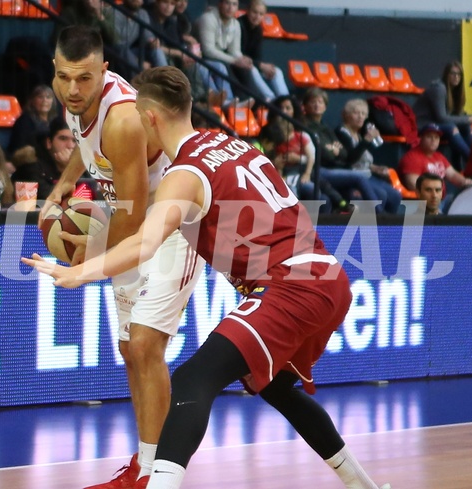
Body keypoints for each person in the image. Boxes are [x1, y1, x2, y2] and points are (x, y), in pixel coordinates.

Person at [22, 65, 391, 489]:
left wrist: (78, 273)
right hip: (329, 279)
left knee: (193, 379)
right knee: (276, 387)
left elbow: (143, 244)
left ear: (150, 118)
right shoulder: (235, 144)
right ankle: (365, 486)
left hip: (291, 286)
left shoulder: (184, 174)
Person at [44, 26, 204, 487]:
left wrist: (87, 261)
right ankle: (144, 461)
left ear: (104, 71)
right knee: (127, 348)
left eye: (85, 79)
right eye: (65, 77)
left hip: (174, 220)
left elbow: (133, 215)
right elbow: (85, 148)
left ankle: (156, 474)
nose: (73, 89)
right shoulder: (71, 96)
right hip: (134, 219)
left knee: (145, 346)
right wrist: (59, 192)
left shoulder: (123, 119)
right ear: (56, 71)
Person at [301, 87, 382, 211]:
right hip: (319, 170)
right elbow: (323, 153)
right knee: (358, 177)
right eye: (313, 102)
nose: (317, 105)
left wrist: (333, 150)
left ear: (325, 106)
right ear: (305, 106)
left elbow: (343, 153)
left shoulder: (326, 127)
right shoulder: (306, 126)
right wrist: (333, 151)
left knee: (386, 194)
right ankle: (381, 217)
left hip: (335, 168)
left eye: (320, 102)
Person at [412, 61, 472, 171]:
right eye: (453, 73)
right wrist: (470, 119)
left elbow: (456, 115)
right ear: (446, 74)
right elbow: (441, 117)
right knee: (451, 127)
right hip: (422, 125)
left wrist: (471, 120)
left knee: (465, 126)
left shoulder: (455, 91)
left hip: (437, 124)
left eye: (459, 74)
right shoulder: (439, 88)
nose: (456, 77)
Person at [335, 98, 401, 214]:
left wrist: (375, 168)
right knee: (381, 195)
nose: (361, 117)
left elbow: (363, 160)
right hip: (354, 176)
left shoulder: (358, 134)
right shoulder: (341, 132)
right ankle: (375, 228)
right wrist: (367, 140)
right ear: (346, 115)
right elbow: (350, 159)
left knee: (396, 196)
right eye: (356, 113)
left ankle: (390, 229)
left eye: (363, 114)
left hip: (368, 174)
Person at [194, 0, 255, 106]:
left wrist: (242, 60)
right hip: (200, 57)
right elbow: (207, 50)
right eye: (227, 3)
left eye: (234, 4)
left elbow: (234, 51)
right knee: (223, 66)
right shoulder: (208, 19)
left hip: (217, 57)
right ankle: (230, 101)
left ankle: (251, 99)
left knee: (245, 67)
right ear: (220, 4)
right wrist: (235, 61)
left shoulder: (235, 24)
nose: (230, 7)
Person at [10, 117, 79, 200]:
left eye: (74, 141)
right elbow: (49, 198)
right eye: (63, 139)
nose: (70, 146)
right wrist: (68, 169)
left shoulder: (83, 165)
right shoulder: (30, 166)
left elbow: (90, 194)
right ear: (49, 143)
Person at [398, 123, 472, 198]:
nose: (433, 140)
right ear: (420, 138)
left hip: (438, 198)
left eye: (436, 137)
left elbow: (452, 175)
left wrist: (464, 181)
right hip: (417, 203)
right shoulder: (412, 158)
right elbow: (413, 184)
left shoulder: (438, 156)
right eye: (429, 137)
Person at [238, 0, 289, 104]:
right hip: (238, 67)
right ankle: (271, 100)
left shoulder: (258, 30)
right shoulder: (238, 25)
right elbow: (238, 55)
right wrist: (261, 66)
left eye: (261, 14)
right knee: (253, 69)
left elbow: (257, 57)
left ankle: (285, 101)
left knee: (276, 72)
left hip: (252, 65)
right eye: (254, 12)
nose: (257, 17)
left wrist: (263, 67)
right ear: (247, 11)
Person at [7, 84, 58, 157]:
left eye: (48, 97)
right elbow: (19, 146)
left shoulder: (56, 121)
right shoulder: (24, 121)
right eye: (40, 97)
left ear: (53, 101)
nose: (44, 100)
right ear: (32, 100)